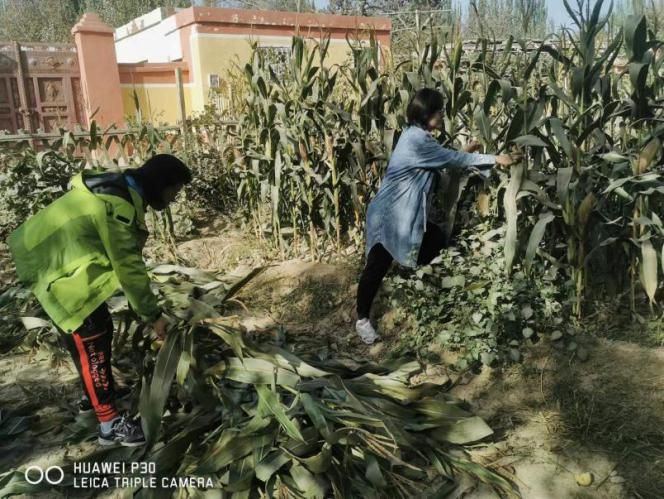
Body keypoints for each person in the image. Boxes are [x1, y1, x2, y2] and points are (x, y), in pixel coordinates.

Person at [7, 154, 192, 446]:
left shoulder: (118, 188)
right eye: (174, 191)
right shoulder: (119, 207)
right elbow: (128, 267)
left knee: (99, 330)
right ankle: (109, 425)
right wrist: (153, 315)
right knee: (91, 341)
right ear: (161, 184)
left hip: (57, 260)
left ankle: (93, 397)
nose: (173, 199)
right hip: (56, 271)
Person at [355, 89, 521, 344]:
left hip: (403, 214)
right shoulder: (416, 140)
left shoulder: (417, 136)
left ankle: (418, 291)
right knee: (377, 266)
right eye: (439, 110)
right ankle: (362, 321)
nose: (443, 114)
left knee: (436, 241)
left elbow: (440, 161)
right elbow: (449, 159)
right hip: (388, 216)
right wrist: (496, 158)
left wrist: (464, 151)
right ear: (426, 113)